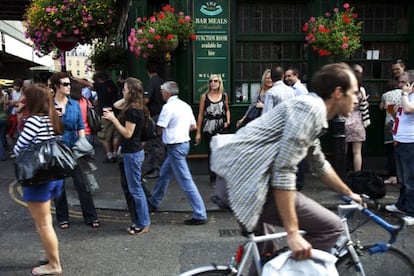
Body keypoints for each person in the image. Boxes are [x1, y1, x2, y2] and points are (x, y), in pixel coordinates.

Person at [211, 63, 363, 261]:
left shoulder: (309, 107)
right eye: (353, 93)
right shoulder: (311, 110)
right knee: (332, 227)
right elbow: (284, 171)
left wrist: (348, 192)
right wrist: (292, 233)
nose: (356, 99)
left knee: (266, 255)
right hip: (249, 184)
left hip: (237, 179)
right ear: (337, 93)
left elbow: (319, 163)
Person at [13, 84, 64, 275]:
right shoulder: (53, 117)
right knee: (46, 221)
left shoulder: (35, 121)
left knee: (43, 223)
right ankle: (49, 254)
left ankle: (54, 265)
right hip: (53, 175)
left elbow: (19, 148)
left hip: (38, 178)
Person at [148, 81, 208, 225]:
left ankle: (200, 213)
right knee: (164, 174)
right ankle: (154, 202)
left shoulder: (168, 107)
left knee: (186, 181)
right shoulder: (185, 106)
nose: (161, 93)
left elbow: (160, 128)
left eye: (162, 90)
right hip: (183, 144)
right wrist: (180, 130)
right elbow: (193, 126)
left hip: (175, 146)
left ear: (167, 92)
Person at [51, 72, 99, 229]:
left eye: (69, 84)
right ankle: (62, 218)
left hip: (75, 148)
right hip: (57, 149)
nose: (68, 87)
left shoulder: (75, 104)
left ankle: (91, 217)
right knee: (59, 186)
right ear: (57, 86)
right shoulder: (49, 106)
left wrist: (83, 143)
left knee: (82, 183)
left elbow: (80, 126)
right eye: (65, 84)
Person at [102, 77, 151, 234]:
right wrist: (126, 97)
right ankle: (140, 221)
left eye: (125, 89)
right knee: (135, 188)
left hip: (132, 153)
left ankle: (143, 223)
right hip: (134, 152)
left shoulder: (133, 111)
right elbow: (116, 105)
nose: (123, 91)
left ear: (131, 91)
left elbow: (127, 133)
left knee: (135, 189)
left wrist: (113, 120)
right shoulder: (138, 106)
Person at [385, 70, 414, 225]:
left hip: (411, 142)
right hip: (401, 140)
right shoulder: (407, 97)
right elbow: (400, 115)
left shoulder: (409, 97)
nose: (400, 85)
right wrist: (391, 109)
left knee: (411, 179)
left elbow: (409, 110)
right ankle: (401, 205)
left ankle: (411, 211)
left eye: (403, 82)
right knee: (402, 177)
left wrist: (403, 95)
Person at [195, 74, 230, 187]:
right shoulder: (204, 97)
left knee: (221, 152)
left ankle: (222, 176)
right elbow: (200, 115)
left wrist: (228, 120)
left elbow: (227, 109)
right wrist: (198, 132)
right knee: (212, 152)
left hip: (221, 125)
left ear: (220, 83)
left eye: (216, 81)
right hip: (209, 127)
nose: (213, 83)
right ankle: (213, 178)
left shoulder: (224, 96)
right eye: (211, 81)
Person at [379, 72, 407, 185]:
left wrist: (388, 108)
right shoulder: (405, 94)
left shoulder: (386, 95)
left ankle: (393, 175)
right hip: (403, 125)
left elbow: (382, 107)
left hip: (390, 123)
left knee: (391, 150)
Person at [142, 62, 165, 178]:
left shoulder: (152, 81)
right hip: (161, 114)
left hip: (155, 115)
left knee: (155, 143)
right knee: (154, 142)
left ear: (148, 70)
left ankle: (157, 169)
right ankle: (152, 168)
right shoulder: (161, 81)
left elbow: (146, 99)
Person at [344, 64, 368, 172]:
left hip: (345, 120)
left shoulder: (346, 90)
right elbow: (364, 104)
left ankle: (342, 172)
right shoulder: (361, 90)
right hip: (358, 121)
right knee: (357, 152)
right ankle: (357, 174)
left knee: (343, 150)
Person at [93, 72, 119, 163]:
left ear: (99, 80)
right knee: (116, 134)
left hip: (106, 113)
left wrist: (73, 78)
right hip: (116, 111)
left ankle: (109, 156)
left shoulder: (100, 86)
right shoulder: (112, 85)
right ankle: (115, 154)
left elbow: (87, 83)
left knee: (103, 135)